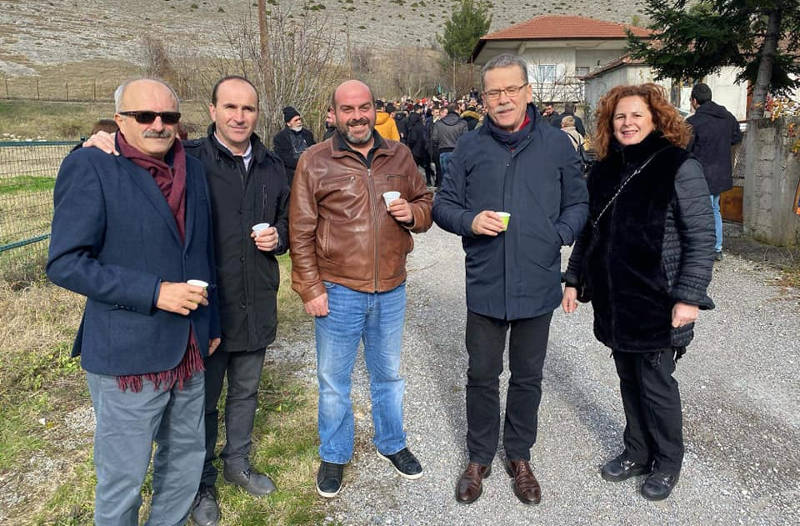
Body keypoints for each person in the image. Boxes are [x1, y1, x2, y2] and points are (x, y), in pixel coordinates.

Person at [81, 75, 290, 526]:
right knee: (198, 412)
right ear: (212, 111)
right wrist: (96, 141)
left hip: (251, 302)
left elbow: (287, 221)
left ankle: (236, 464)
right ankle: (203, 485)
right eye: (230, 107)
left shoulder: (271, 165)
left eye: (248, 108)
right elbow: (126, 161)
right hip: (197, 311)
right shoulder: (190, 159)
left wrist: (280, 237)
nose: (239, 117)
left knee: (243, 394)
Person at [47, 78, 221, 525]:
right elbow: (65, 263)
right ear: (119, 120)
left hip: (188, 346)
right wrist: (154, 292)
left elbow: (203, 252)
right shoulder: (92, 164)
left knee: (184, 461)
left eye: (169, 116)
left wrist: (212, 324)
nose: (158, 124)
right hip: (127, 353)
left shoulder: (192, 168)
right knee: (123, 478)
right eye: (145, 115)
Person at [433, 53, 588, 506]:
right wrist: (469, 220)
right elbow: (443, 205)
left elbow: (579, 203)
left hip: (537, 282)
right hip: (485, 282)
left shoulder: (557, 145)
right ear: (483, 99)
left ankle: (519, 455)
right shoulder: (469, 146)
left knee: (527, 376)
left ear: (528, 92)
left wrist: (557, 234)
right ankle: (479, 457)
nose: (502, 99)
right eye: (493, 92)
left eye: (510, 90)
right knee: (482, 374)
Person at [562, 83, 715, 502]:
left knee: (656, 383)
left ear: (656, 119)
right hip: (615, 299)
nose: (627, 123)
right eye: (620, 117)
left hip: (657, 299)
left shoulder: (678, 165)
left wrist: (689, 296)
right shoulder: (604, 170)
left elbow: (701, 238)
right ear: (609, 123)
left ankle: (667, 461)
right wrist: (573, 279)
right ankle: (637, 451)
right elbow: (589, 233)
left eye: (636, 116)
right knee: (628, 377)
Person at [289, 79, 433, 499]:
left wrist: (413, 214)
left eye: (364, 107)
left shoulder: (399, 154)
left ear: (375, 109)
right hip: (338, 289)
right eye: (347, 109)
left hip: (391, 287)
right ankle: (334, 453)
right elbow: (300, 231)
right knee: (334, 379)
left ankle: (392, 443)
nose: (357, 116)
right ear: (333, 114)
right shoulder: (315, 160)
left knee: (388, 375)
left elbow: (426, 203)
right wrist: (310, 287)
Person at [687, 82, 743, 261]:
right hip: (720, 172)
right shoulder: (727, 117)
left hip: (700, 174)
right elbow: (737, 137)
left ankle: (701, 249)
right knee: (714, 208)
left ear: (694, 101)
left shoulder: (693, 122)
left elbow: (685, 148)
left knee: (699, 211)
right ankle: (716, 248)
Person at [274, 106, 315, 187]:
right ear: (288, 123)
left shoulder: (308, 134)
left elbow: (314, 150)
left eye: (300, 119)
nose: (299, 122)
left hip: (310, 173)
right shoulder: (280, 138)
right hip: (291, 177)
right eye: (296, 120)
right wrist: (302, 163)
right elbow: (284, 159)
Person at [431, 102, 468, 189]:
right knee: (458, 178)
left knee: (445, 178)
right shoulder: (463, 123)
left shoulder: (439, 123)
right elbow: (466, 139)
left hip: (443, 151)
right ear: (457, 110)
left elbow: (434, 139)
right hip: (458, 152)